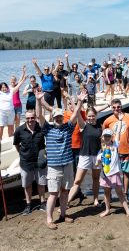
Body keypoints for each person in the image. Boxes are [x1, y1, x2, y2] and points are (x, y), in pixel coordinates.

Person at [35, 90, 84, 230]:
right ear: (52, 117)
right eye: (56, 117)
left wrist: (79, 101)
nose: (58, 119)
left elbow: (74, 115)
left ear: (63, 117)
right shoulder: (47, 129)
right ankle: (49, 219)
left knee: (64, 191)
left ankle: (63, 214)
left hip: (67, 164)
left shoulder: (68, 128)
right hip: (54, 166)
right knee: (53, 194)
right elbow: (39, 116)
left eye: (60, 117)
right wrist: (39, 100)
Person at [103, 98, 129, 202]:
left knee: (126, 173)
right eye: (114, 107)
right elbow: (103, 134)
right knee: (110, 173)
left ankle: (126, 193)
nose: (116, 109)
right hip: (112, 152)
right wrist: (105, 149)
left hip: (126, 150)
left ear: (121, 107)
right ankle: (108, 196)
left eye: (118, 107)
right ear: (111, 108)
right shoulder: (108, 120)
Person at [13, 109, 47, 215]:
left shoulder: (41, 128)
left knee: (41, 183)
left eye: (32, 117)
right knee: (27, 185)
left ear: (35, 117)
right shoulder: (19, 130)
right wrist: (22, 154)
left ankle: (42, 203)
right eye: (28, 118)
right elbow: (16, 144)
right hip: (25, 162)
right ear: (25, 118)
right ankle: (28, 205)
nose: (30, 120)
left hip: (39, 161)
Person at [68, 106, 102, 207]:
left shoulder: (100, 127)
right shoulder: (83, 125)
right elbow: (77, 113)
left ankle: (95, 199)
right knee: (77, 180)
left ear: (96, 116)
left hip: (97, 155)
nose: (91, 118)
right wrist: (76, 105)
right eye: (89, 116)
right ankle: (67, 202)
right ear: (86, 116)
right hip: (85, 155)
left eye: (93, 116)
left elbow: (104, 141)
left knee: (96, 178)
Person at [99, 128, 129, 219]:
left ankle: (128, 211)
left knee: (120, 193)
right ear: (102, 137)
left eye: (109, 136)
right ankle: (107, 210)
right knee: (106, 193)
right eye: (105, 136)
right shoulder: (101, 149)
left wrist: (119, 121)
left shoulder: (115, 145)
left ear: (111, 137)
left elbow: (118, 132)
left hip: (115, 174)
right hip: (105, 175)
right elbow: (98, 161)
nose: (107, 137)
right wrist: (98, 161)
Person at [0, 69, 27, 140]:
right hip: (9, 108)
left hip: (17, 106)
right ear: (10, 81)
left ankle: (16, 133)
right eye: (12, 80)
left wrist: (23, 73)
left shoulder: (14, 88)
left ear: (15, 81)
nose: (13, 81)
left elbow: (20, 81)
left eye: (14, 80)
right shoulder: (7, 88)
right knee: (7, 123)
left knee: (16, 120)